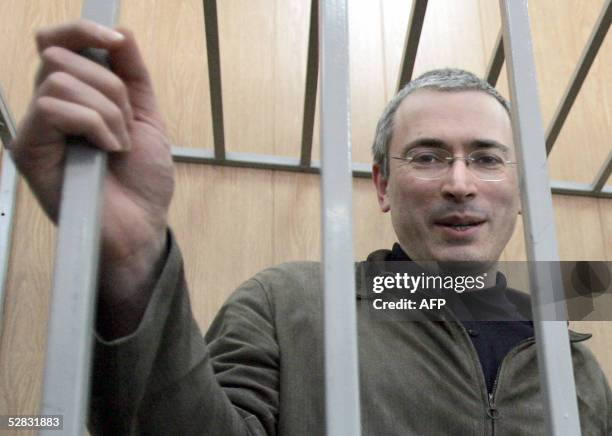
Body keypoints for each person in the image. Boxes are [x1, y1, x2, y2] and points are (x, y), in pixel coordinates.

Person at [9, 20, 611, 435]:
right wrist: (134, 256)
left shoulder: (573, 362)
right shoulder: (288, 305)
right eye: (427, 157)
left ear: (522, 189)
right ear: (382, 186)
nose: (460, 182)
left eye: (485, 157)